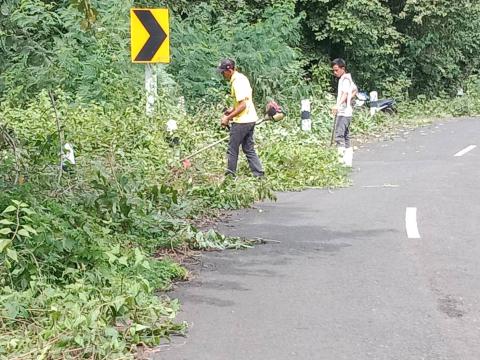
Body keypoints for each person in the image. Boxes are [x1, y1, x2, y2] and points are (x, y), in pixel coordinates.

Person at [217, 59, 264, 178]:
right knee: (248, 148)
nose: (222, 75)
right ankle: (259, 175)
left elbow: (243, 105)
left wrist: (228, 118)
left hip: (242, 121)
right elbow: (243, 101)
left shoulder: (237, 82)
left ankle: (230, 177)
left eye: (223, 72)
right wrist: (232, 110)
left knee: (232, 149)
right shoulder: (241, 78)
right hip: (250, 118)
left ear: (230, 70)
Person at [331, 58, 357, 167]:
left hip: (343, 112)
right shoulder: (347, 78)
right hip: (347, 111)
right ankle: (348, 161)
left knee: (339, 136)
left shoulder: (345, 79)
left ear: (343, 68)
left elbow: (345, 93)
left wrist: (338, 105)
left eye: (336, 70)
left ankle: (341, 161)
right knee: (346, 136)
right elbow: (355, 89)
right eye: (333, 70)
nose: (335, 72)